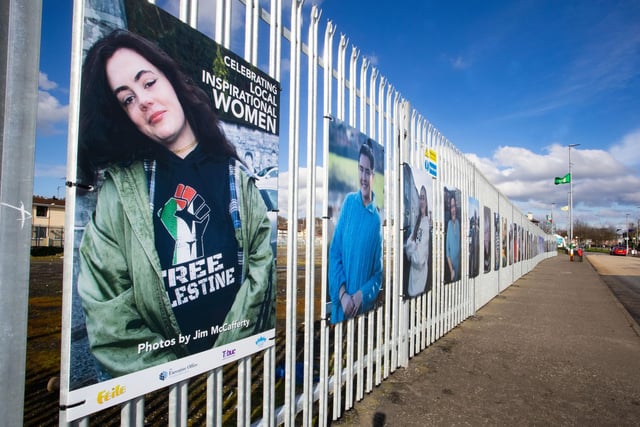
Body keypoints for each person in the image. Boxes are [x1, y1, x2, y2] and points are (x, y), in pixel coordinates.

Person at [76, 29, 275, 378]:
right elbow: (108, 315)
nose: (143, 101)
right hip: (167, 392)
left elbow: (262, 264)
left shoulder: (236, 176)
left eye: (148, 82)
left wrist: (225, 355)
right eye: (126, 99)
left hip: (240, 371)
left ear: (169, 77)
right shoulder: (117, 195)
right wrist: (179, 375)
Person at [329, 141, 383, 323]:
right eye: (361, 169)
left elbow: (377, 274)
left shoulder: (376, 220)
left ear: (373, 175)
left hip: (362, 315)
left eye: (367, 172)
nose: (363, 177)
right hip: (340, 311)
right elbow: (335, 253)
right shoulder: (348, 203)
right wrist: (343, 295)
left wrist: (360, 296)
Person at [405, 186, 430, 297]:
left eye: (423, 198)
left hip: (420, 283)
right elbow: (408, 246)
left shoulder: (426, 224)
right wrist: (414, 247)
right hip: (412, 280)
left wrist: (412, 250)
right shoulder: (417, 222)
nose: (421, 201)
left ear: (427, 201)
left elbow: (420, 261)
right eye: (420, 198)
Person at [445, 193, 461, 282]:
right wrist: (452, 271)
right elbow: (447, 252)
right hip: (451, 268)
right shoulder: (449, 224)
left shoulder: (458, 223)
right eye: (451, 207)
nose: (453, 209)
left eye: (454, 206)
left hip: (458, 266)